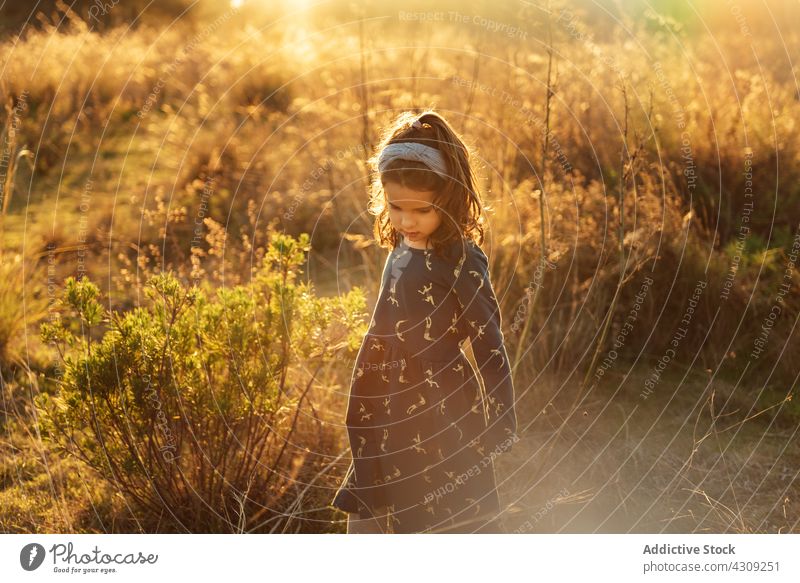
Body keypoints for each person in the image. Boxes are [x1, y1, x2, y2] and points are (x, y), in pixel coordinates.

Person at [330, 110, 518, 534]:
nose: (406, 221)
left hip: (438, 402)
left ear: (448, 199)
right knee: (367, 503)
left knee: (440, 512)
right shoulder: (401, 241)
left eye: (421, 210)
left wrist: (501, 416)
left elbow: (489, 340)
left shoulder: (462, 260)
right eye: (396, 207)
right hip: (379, 391)